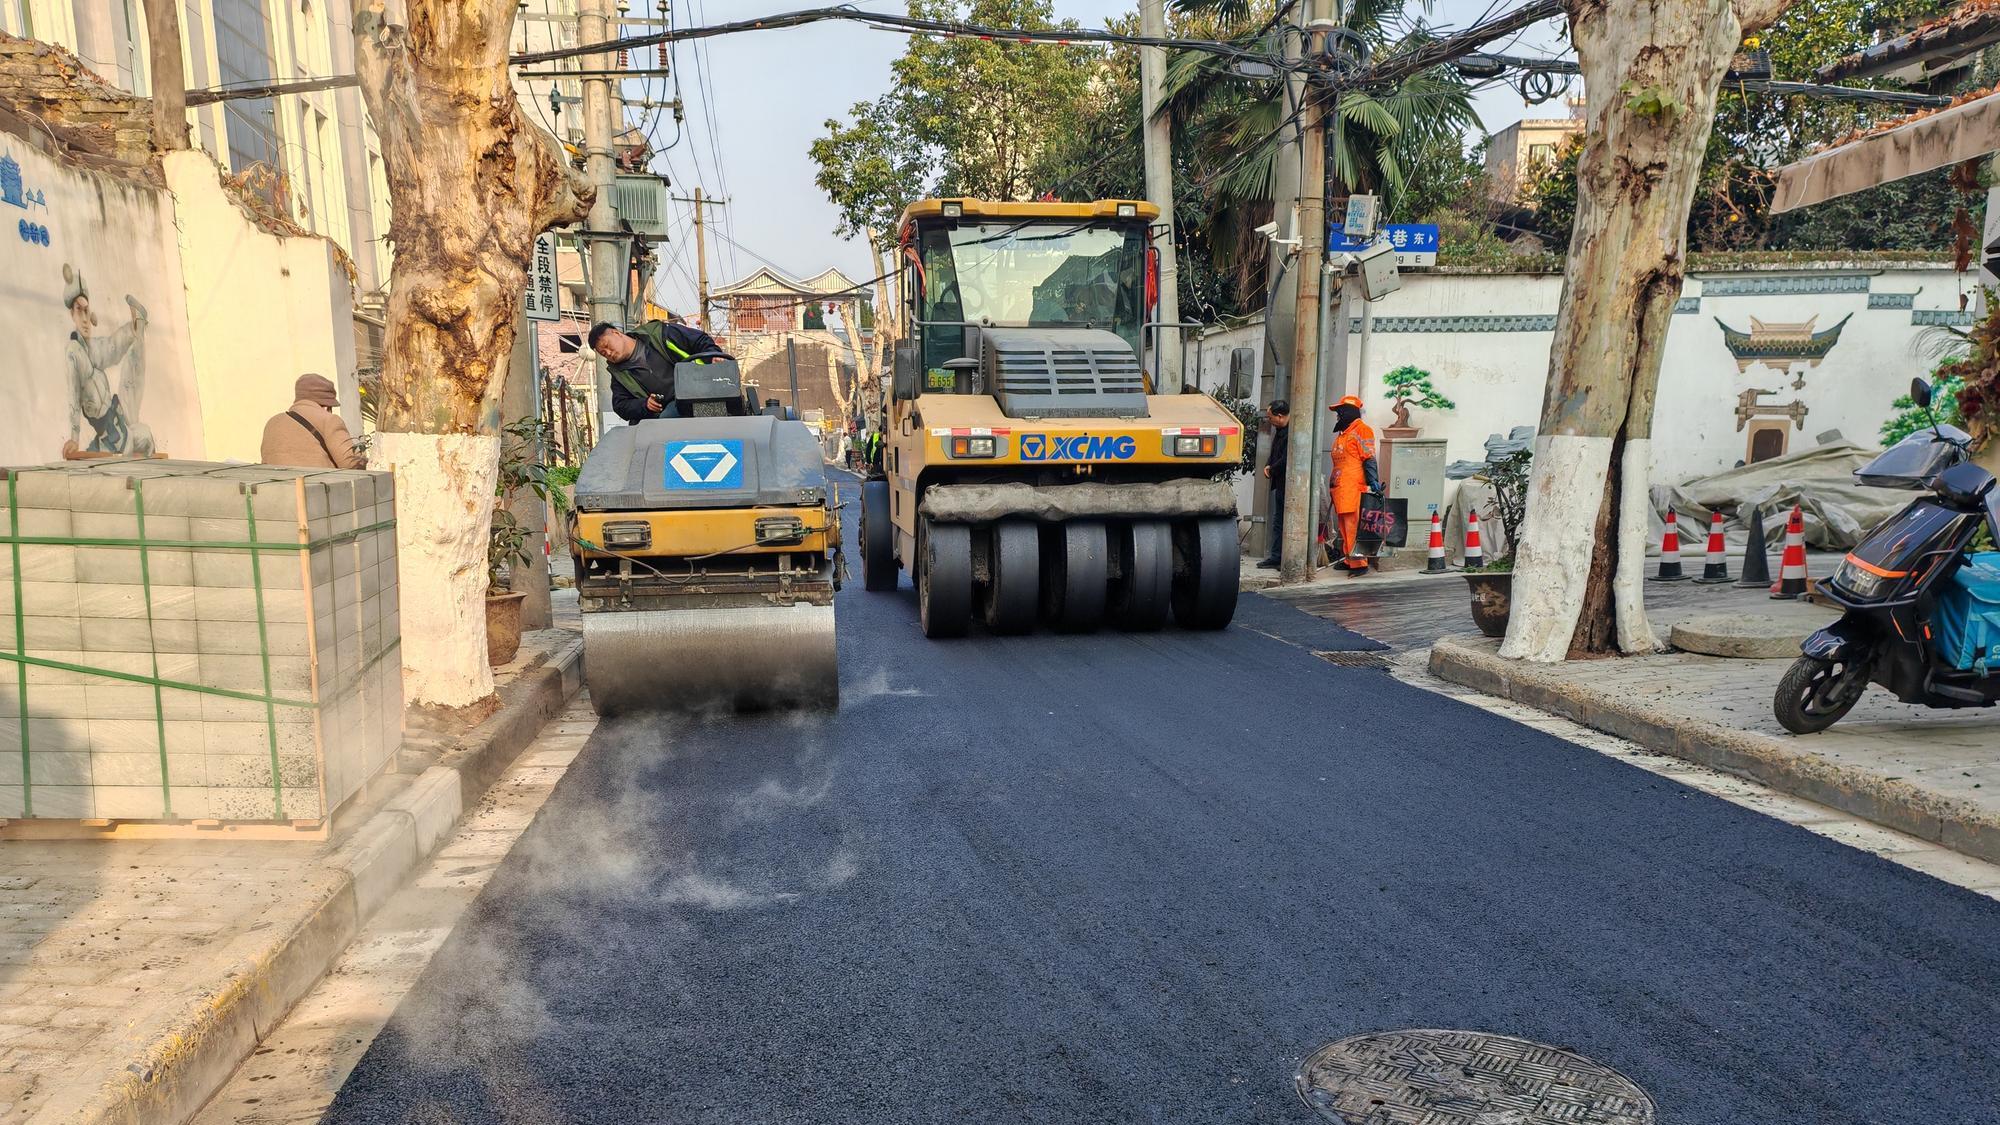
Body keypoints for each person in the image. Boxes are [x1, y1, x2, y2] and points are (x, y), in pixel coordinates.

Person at [589, 318, 730, 424]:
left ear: (616, 333)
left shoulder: (660, 333)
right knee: (665, 422)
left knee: (723, 414)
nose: (608, 353)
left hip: (702, 391)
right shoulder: (619, 375)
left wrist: (714, 355)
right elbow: (621, 405)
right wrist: (645, 404)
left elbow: (698, 339)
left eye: (607, 345)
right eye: (603, 353)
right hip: (669, 412)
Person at [1327, 394, 1383, 576]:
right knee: (1344, 527)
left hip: (1352, 489)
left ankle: (1359, 563)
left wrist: (1373, 481)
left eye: (1340, 412)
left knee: (1353, 526)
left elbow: (1369, 457)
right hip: (1341, 489)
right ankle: (1349, 559)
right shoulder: (1344, 433)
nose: (1338, 416)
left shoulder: (1362, 430)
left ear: (1348, 412)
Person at [261, 374, 366, 469]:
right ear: (326, 406)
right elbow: (351, 462)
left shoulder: (272, 423)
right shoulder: (329, 420)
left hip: (274, 483)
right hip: (318, 483)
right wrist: (368, 462)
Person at [1257, 400, 1290, 569]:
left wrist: (1272, 469)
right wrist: (1269, 465)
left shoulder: (1292, 431)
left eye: (1270, 417)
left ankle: (1285, 558)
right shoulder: (1280, 430)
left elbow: (1286, 458)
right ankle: (1277, 556)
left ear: (1280, 416)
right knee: (1278, 521)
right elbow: (1275, 452)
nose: (1269, 421)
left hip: (1289, 484)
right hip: (1280, 482)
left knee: (1285, 522)